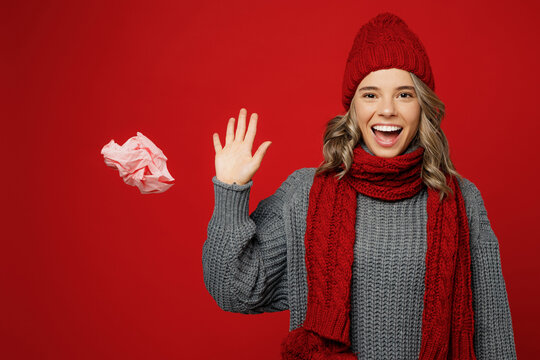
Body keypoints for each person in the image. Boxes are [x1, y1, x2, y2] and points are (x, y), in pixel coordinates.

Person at [202, 12, 517, 360]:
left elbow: (494, 336)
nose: (386, 110)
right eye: (370, 95)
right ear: (353, 107)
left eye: (404, 95)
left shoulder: (462, 201)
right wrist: (230, 190)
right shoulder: (304, 194)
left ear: (422, 105)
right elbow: (234, 288)